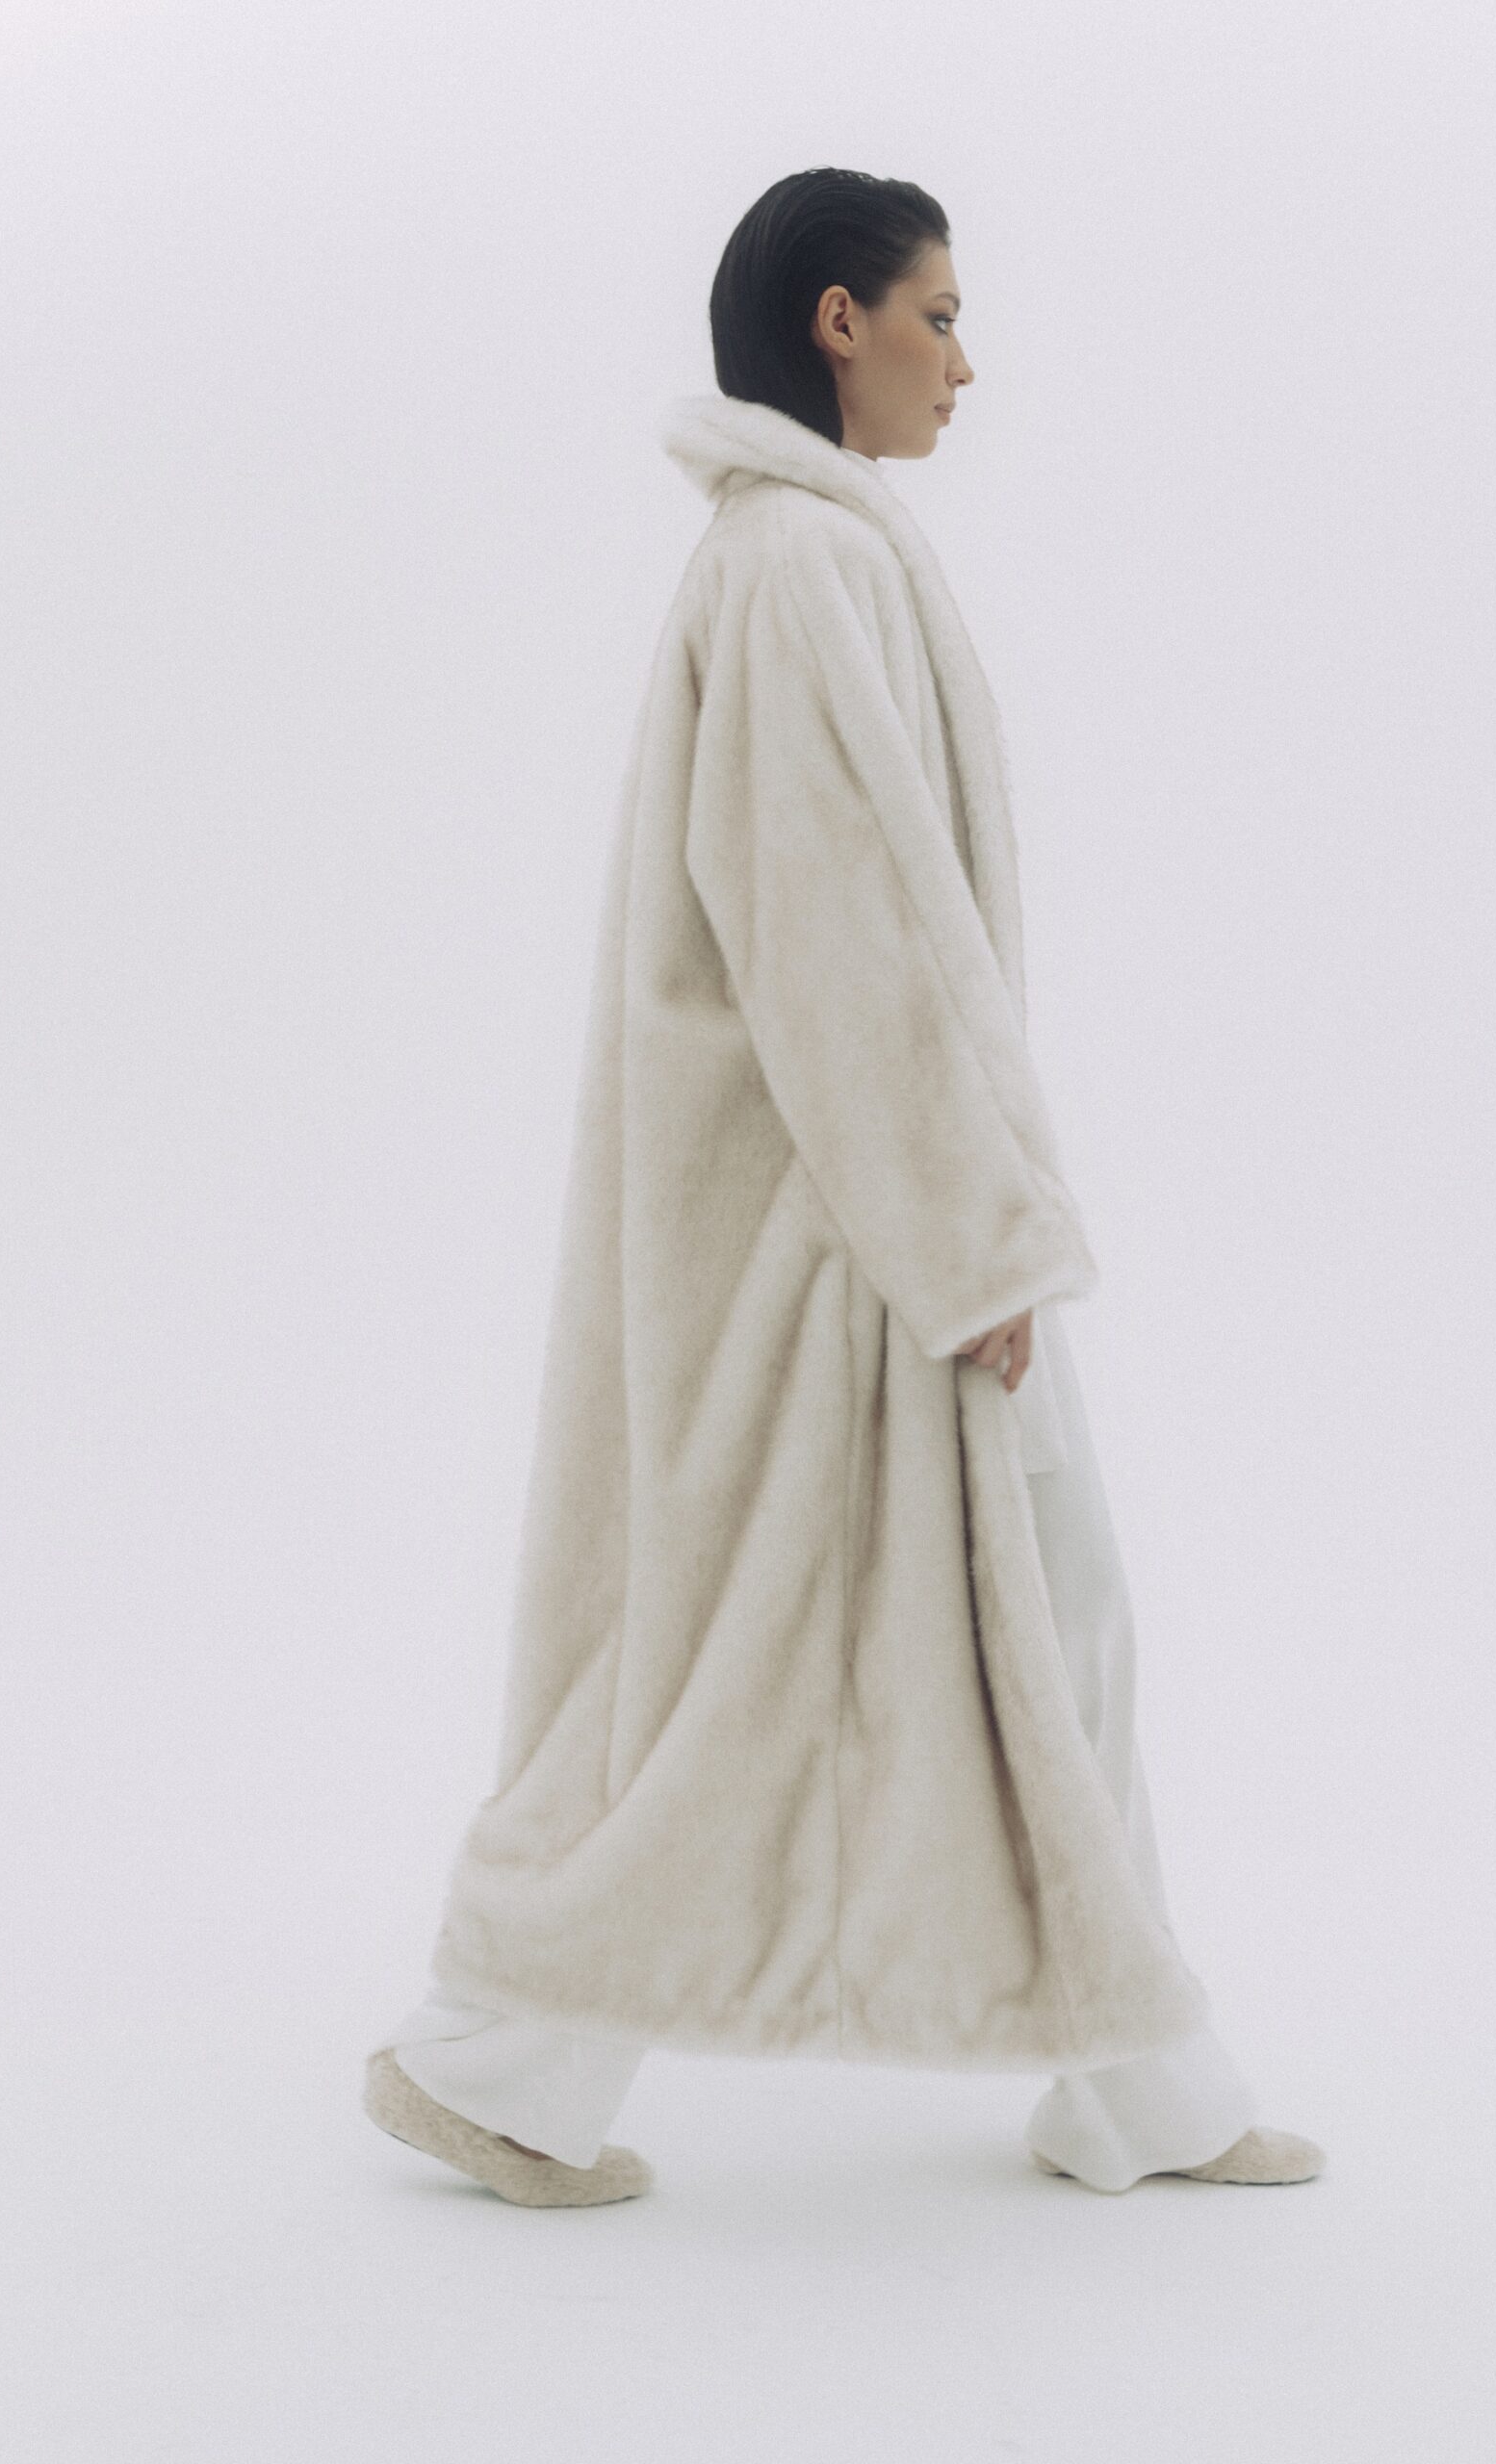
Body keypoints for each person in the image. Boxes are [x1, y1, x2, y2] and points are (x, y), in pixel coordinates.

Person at [361, 167, 1324, 2206]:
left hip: (850, 1212)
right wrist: (971, 1235)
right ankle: (508, 2054)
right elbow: (846, 933)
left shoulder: (799, 552)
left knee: (847, 1636)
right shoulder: (798, 564)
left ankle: (1119, 2079)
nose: (964, 365)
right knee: (817, 1649)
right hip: (846, 1231)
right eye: (937, 317)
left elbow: (857, 928)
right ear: (836, 322)